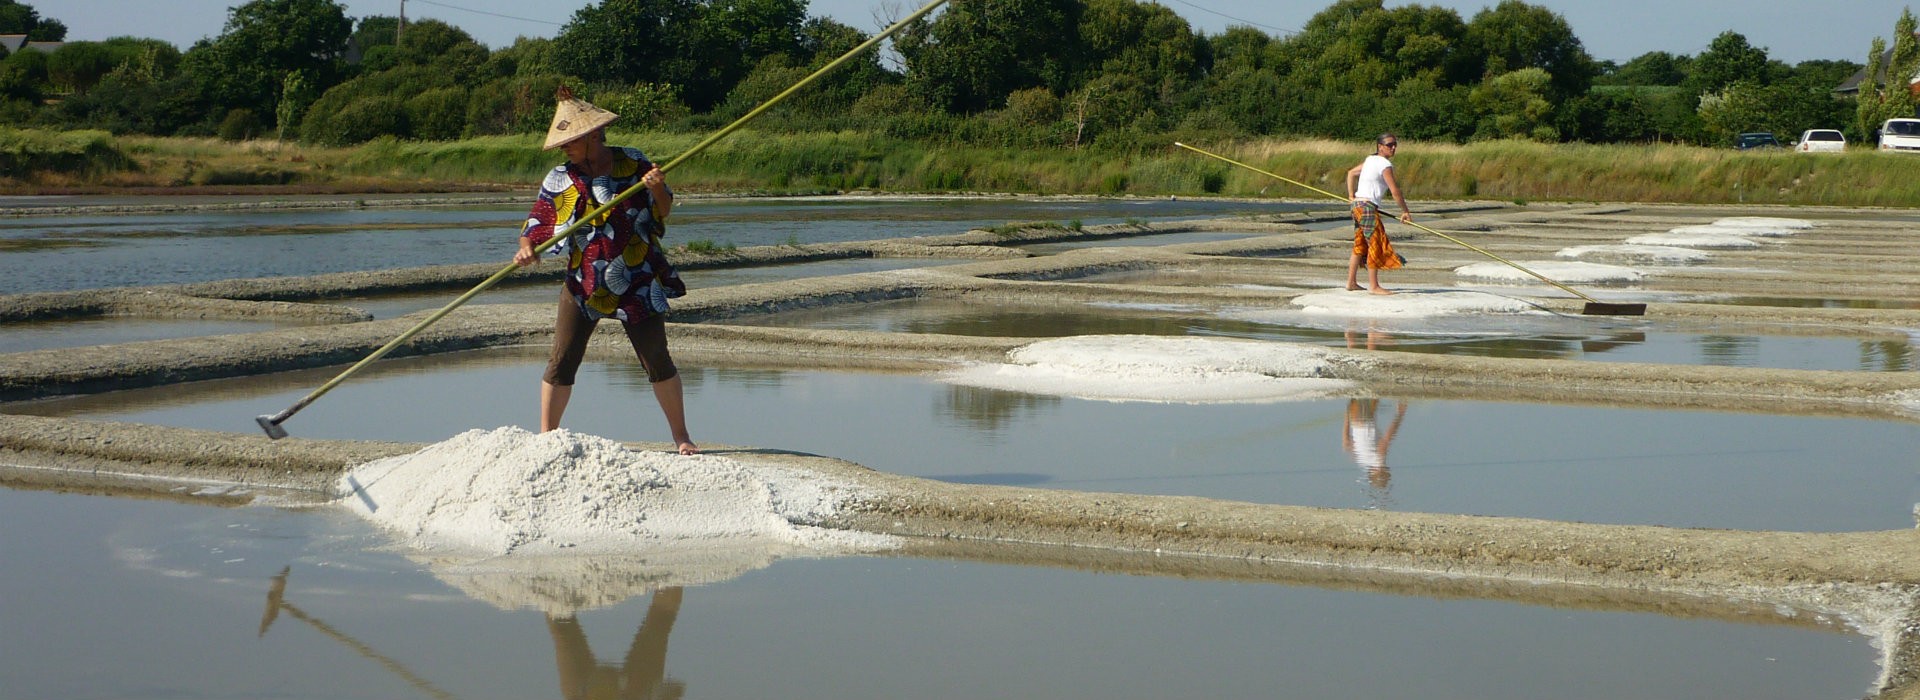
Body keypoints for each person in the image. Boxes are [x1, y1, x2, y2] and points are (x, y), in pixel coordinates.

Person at [514, 87, 698, 455]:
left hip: (636, 277)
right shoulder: (560, 177)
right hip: (584, 281)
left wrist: (657, 188)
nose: (564, 148)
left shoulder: (633, 163)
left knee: (657, 359)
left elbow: (663, 210)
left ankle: (682, 437)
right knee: (561, 360)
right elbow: (537, 222)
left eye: (571, 141)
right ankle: (547, 438)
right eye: (563, 143)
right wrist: (526, 248)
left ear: (593, 135)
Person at [1344, 133, 1413, 295]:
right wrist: (1405, 211)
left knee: (1360, 244)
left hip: (1358, 206)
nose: (1393, 147)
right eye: (1389, 145)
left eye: (1395, 144)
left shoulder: (1370, 160)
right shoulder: (1383, 163)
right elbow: (1395, 191)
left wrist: (1351, 197)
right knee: (1375, 242)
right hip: (1366, 207)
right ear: (1380, 146)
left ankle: (1351, 282)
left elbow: (1350, 173)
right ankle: (1374, 286)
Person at [1343, 398, 1407, 507]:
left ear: (1382, 472)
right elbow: (1347, 444)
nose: (1388, 468)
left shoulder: (1378, 463)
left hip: (1364, 417)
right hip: (1354, 416)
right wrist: (1347, 417)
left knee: (1373, 392)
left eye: (1387, 472)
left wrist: (1399, 415)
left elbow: (1385, 442)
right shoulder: (1362, 461)